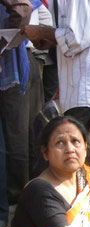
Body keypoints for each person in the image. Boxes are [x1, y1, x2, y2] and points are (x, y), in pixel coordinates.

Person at [22, 0, 90, 117]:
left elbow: (78, 39)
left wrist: (41, 32)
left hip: (88, 93)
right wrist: (54, 41)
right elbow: (89, 34)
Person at [0, 0, 32, 215]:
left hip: (8, 65)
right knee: (13, 134)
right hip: (9, 63)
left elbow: (22, 8)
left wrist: (4, 43)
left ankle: (13, 203)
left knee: (11, 136)